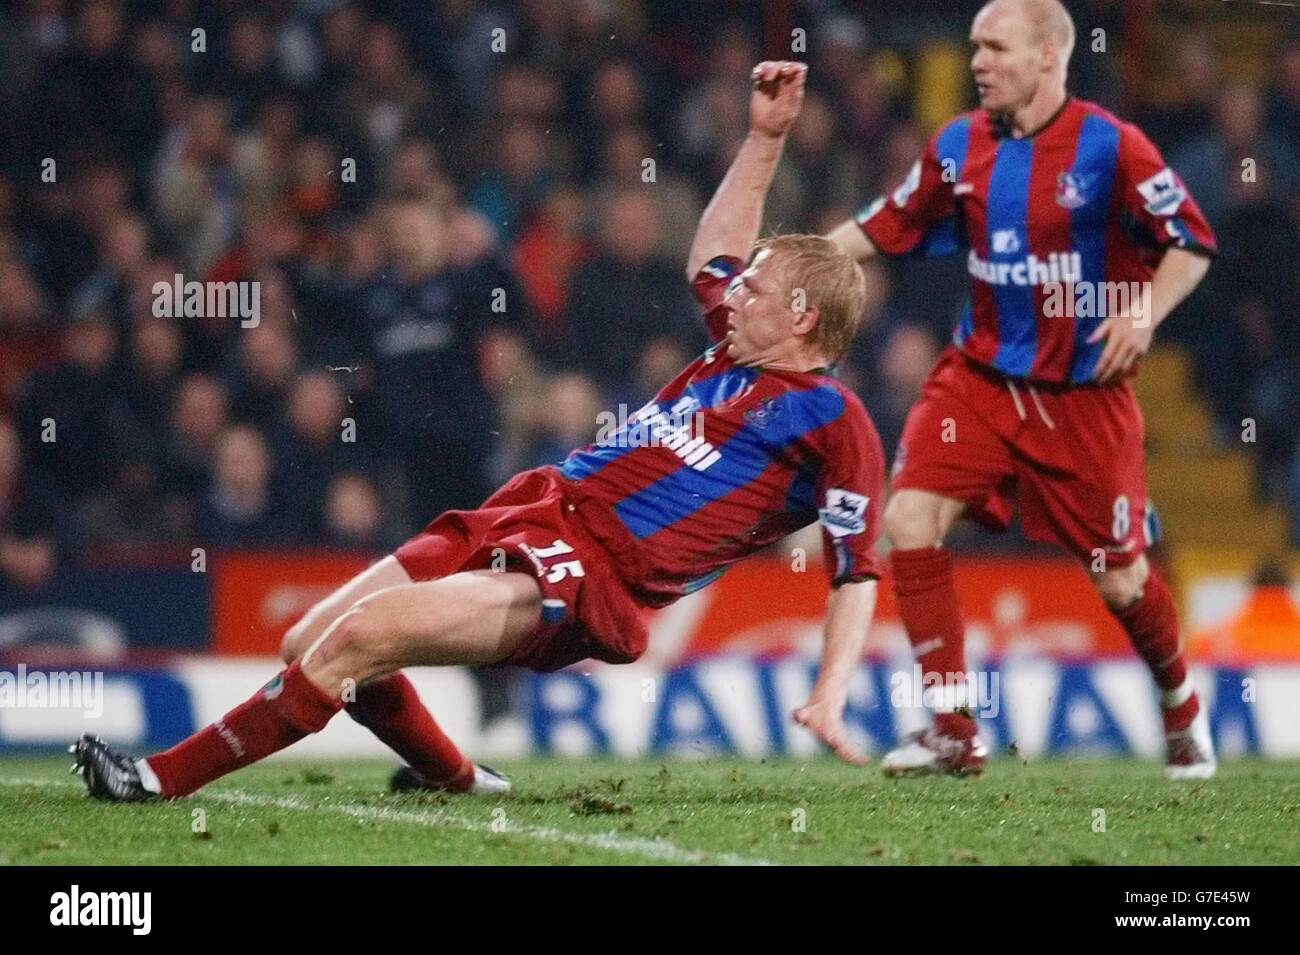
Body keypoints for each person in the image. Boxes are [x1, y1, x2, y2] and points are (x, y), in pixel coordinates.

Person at [73, 61, 888, 801]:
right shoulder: (731, 351)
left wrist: (830, 686)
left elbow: (856, 569)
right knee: (306, 639)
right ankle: (456, 776)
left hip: (590, 576)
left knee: (363, 637)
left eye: (757, 287)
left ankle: (152, 779)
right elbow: (710, 255)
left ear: (802, 316)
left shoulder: (832, 420)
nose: (734, 291)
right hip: (533, 503)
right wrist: (764, 137)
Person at [826, 0, 1218, 778]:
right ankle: (953, 728)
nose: (976, 62)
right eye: (973, 46)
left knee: (1121, 578)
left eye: (995, 47)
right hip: (978, 380)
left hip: (1082, 398)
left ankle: (1180, 708)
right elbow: (884, 226)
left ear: (1048, 56)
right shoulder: (958, 144)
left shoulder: (1113, 146)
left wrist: (1143, 309)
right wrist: (794, 259)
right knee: (908, 517)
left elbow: (1192, 242)